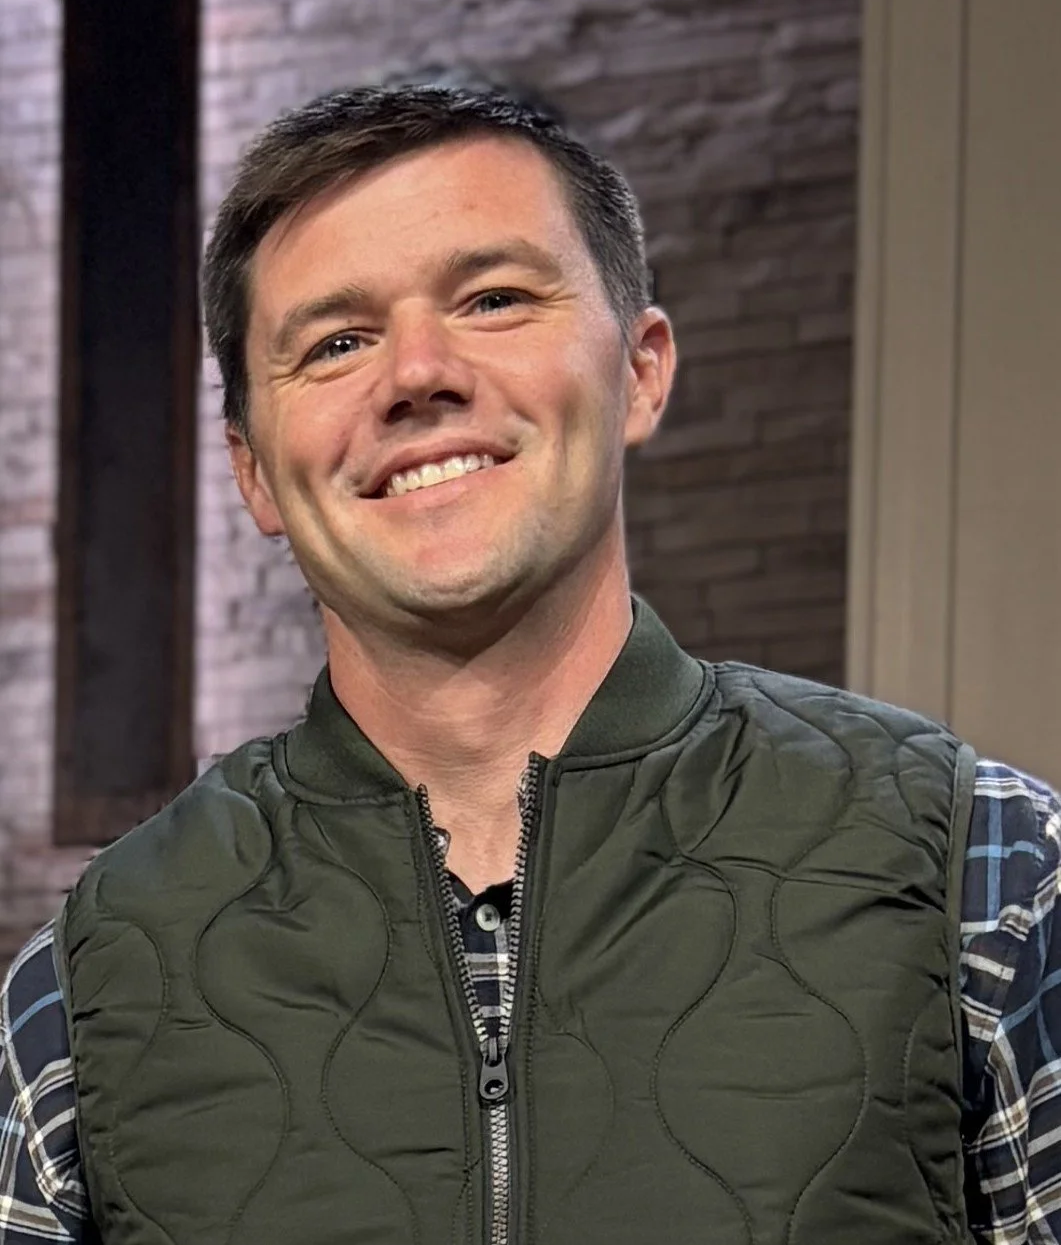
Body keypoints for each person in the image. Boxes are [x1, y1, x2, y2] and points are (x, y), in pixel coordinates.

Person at [0, 82, 1058, 1245]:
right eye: (337, 342)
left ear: (639, 369)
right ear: (252, 468)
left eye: (493, 299)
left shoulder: (978, 872)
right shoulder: (90, 984)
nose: (417, 373)